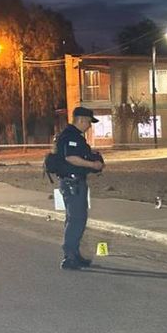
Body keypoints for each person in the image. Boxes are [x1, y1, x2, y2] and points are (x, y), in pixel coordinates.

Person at [56, 107, 105, 270]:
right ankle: (70, 257)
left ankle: (74, 254)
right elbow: (71, 157)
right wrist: (92, 164)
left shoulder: (72, 136)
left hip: (73, 183)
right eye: (89, 122)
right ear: (82, 120)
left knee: (74, 219)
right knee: (76, 220)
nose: (90, 126)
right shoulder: (71, 136)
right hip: (73, 183)